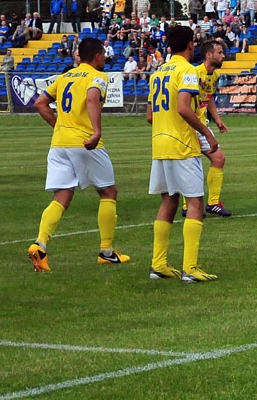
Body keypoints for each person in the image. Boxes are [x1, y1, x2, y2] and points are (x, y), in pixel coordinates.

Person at [27, 38, 128, 272]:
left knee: (62, 194)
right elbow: (92, 98)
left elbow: (40, 103)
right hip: (84, 142)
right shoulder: (97, 76)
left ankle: (40, 244)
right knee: (108, 191)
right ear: (96, 57)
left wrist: (59, 126)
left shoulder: (65, 77)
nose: (104, 58)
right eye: (103, 55)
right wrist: (96, 132)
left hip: (59, 143)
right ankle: (106, 251)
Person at [146, 25, 219, 283]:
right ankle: (190, 268)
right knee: (196, 203)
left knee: (168, 201)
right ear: (190, 44)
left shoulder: (158, 72)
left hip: (159, 144)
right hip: (182, 145)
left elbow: (149, 116)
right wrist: (207, 134)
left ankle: (159, 264)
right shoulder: (187, 70)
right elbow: (184, 109)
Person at [181, 40, 231, 219]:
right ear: (209, 55)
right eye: (219, 52)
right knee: (193, 164)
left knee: (218, 158)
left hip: (201, 124)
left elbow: (208, 96)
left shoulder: (214, 76)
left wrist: (217, 120)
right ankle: (190, 205)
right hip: (189, 126)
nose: (223, 56)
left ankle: (212, 203)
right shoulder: (194, 73)